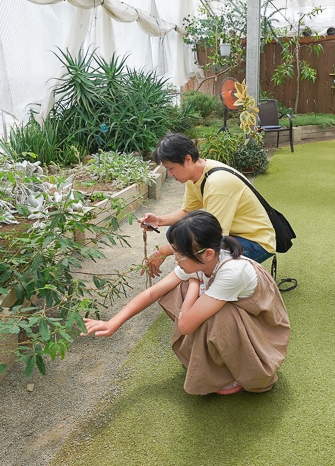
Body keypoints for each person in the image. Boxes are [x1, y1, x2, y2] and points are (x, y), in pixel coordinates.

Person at [83, 210, 290, 395]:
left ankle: (244, 372)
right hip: (235, 311)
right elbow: (152, 293)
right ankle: (218, 364)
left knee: (216, 315)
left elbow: (185, 325)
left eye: (179, 254)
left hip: (259, 326)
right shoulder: (204, 256)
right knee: (182, 293)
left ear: (207, 254)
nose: (175, 259)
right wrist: (113, 323)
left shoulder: (232, 271)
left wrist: (194, 285)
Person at [139, 133, 275, 277]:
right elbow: (186, 213)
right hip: (231, 234)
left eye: (171, 168)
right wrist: (158, 221)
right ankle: (201, 275)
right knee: (175, 232)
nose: (170, 174)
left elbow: (212, 239)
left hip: (255, 242)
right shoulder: (196, 175)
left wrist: (163, 252)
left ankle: (216, 281)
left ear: (188, 159)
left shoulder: (218, 183)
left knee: (204, 253)